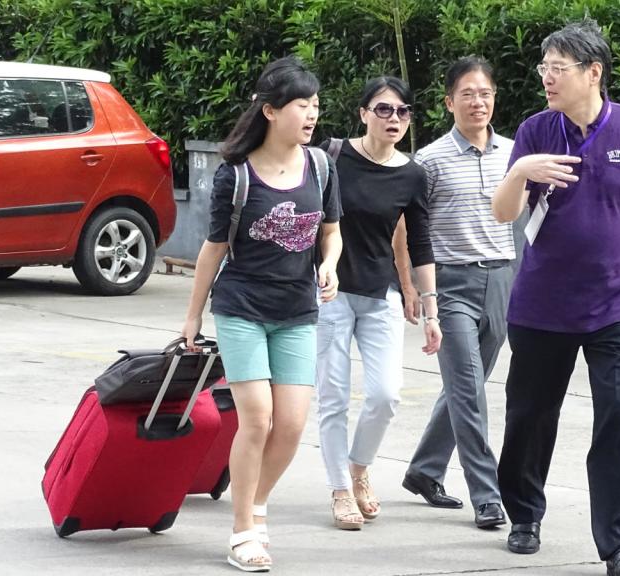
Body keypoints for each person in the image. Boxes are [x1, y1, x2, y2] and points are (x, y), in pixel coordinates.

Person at [492, 19, 620, 576]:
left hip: (617, 303)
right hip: (540, 304)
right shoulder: (536, 130)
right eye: (544, 69)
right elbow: (504, 213)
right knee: (530, 416)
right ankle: (525, 514)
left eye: (558, 69)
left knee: (617, 415)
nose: (547, 79)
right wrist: (521, 172)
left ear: (593, 73)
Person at [180, 56, 342, 573]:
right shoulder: (237, 174)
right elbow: (212, 249)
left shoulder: (320, 166)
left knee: (291, 425)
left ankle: (255, 503)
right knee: (258, 419)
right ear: (271, 111)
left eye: (315, 105)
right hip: (242, 306)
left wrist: (331, 266)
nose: (312, 114)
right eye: (302, 105)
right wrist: (192, 317)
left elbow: (331, 232)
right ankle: (242, 531)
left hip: (297, 308)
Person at [315, 76, 442, 531]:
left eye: (403, 112)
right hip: (329, 290)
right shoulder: (330, 156)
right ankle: (339, 489)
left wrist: (429, 308)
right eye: (384, 109)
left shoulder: (412, 173)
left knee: (386, 394)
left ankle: (359, 467)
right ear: (363, 112)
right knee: (332, 398)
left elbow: (420, 242)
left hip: (380, 292)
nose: (394, 119)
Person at [401, 56, 514, 530]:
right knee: (468, 390)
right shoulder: (428, 160)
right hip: (450, 284)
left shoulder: (514, 153)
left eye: (485, 93)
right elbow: (405, 228)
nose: (478, 102)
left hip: (504, 279)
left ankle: (424, 471)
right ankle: (487, 496)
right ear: (449, 102)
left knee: (464, 386)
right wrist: (411, 285)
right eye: (467, 93)